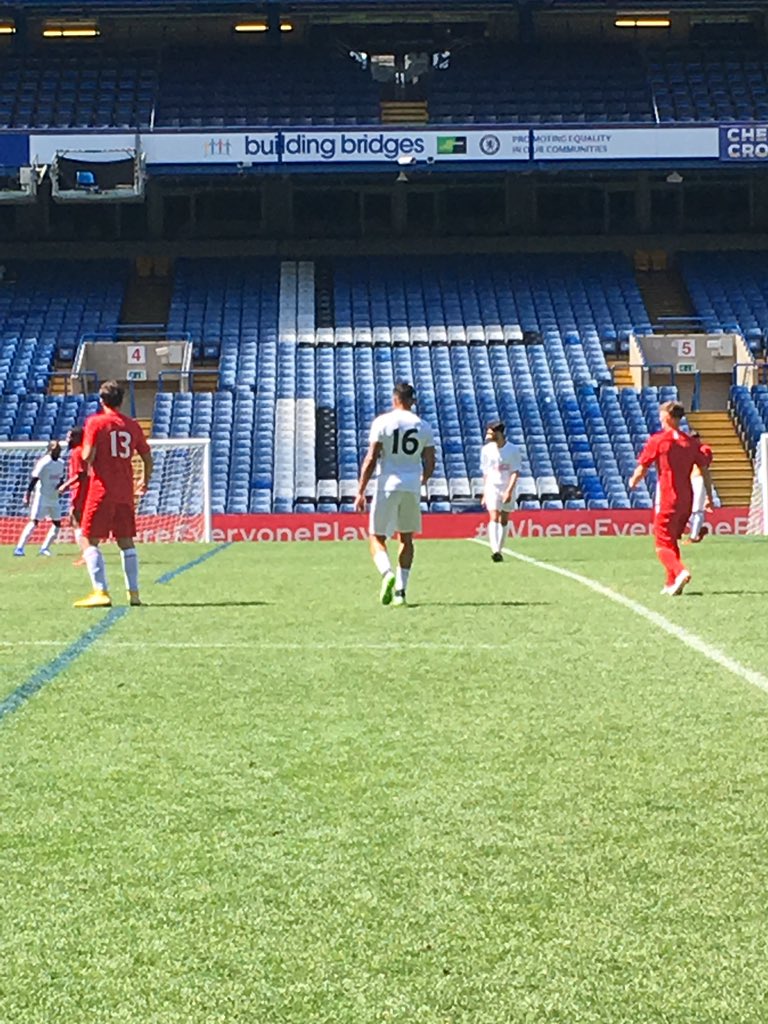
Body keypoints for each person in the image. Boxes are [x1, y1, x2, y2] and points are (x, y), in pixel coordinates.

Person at [355, 381, 435, 606]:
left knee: (377, 536)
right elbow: (430, 460)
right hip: (411, 485)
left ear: (394, 399)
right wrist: (423, 479)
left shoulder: (382, 422)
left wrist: (361, 490)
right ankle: (401, 591)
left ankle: (387, 573)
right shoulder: (423, 426)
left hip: (387, 483)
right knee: (406, 538)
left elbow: (371, 458)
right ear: (413, 401)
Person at [74, 380, 153, 609]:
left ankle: (101, 591)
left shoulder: (95, 422)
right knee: (126, 542)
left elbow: (87, 456)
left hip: (101, 489)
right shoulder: (132, 425)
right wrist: (144, 481)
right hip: (125, 491)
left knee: (89, 538)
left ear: (101, 400)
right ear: (122, 400)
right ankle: (134, 593)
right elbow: (147, 457)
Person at [629, 401, 714, 596]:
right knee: (671, 539)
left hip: (668, 497)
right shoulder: (691, 443)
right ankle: (670, 581)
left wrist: (633, 481)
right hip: (687, 500)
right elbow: (705, 471)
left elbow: (643, 466)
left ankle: (680, 571)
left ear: (667, 416)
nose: (659, 418)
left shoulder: (659, 440)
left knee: (661, 544)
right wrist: (709, 496)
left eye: (661, 414)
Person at [14, 440, 65, 557]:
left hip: (54, 497)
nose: (57, 449)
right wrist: (27, 495)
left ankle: (44, 549)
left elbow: (60, 478)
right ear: (50, 449)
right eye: (55, 447)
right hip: (41, 497)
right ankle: (19, 548)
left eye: (58, 448)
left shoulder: (61, 463)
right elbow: (34, 479)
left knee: (57, 523)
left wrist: (60, 486)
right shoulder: (43, 462)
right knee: (34, 522)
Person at [480, 420, 522, 562]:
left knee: (504, 519)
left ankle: (500, 547)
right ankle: (495, 550)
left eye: (490, 432)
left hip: (506, 486)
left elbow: (515, 472)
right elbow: (485, 472)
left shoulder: (513, 450)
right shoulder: (486, 450)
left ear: (498, 433)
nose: (487, 435)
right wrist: (485, 492)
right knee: (493, 516)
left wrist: (509, 491)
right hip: (492, 486)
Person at [58, 425, 89, 566]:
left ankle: (87, 554)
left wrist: (65, 485)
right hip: (85, 489)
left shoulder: (77, 452)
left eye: (71, 436)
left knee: (77, 522)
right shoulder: (85, 450)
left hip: (80, 490)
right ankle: (87, 552)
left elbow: (80, 474)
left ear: (78, 437)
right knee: (76, 520)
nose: (68, 439)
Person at [687, 431, 714, 543]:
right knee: (686, 510)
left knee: (697, 509)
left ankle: (693, 537)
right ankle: (697, 530)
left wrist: (709, 495)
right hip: (690, 480)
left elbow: (704, 465)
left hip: (699, 479)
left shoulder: (703, 449)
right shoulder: (688, 450)